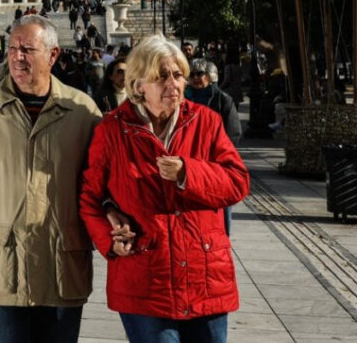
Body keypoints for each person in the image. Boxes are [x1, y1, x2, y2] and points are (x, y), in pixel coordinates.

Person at [0, 15, 102, 343]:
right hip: (1, 271)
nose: (17, 56)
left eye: (27, 49)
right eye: (12, 48)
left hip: (61, 270)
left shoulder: (83, 113)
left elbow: (102, 187)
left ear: (53, 56)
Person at [79, 35, 250, 343]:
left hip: (204, 274)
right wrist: (110, 239)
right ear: (138, 85)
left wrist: (188, 172)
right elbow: (90, 198)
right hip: (145, 277)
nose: (173, 83)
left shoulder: (206, 122)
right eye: (161, 76)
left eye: (178, 74)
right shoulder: (112, 130)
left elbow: (237, 182)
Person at [185, 57, 242, 235]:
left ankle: (224, 235)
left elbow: (233, 132)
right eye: (192, 74)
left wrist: (220, 156)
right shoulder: (183, 98)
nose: (195, 78)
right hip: (190, 158)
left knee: (221, 201)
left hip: (215, 161)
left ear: (210, 76)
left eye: (199, 73)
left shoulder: (222, 99)